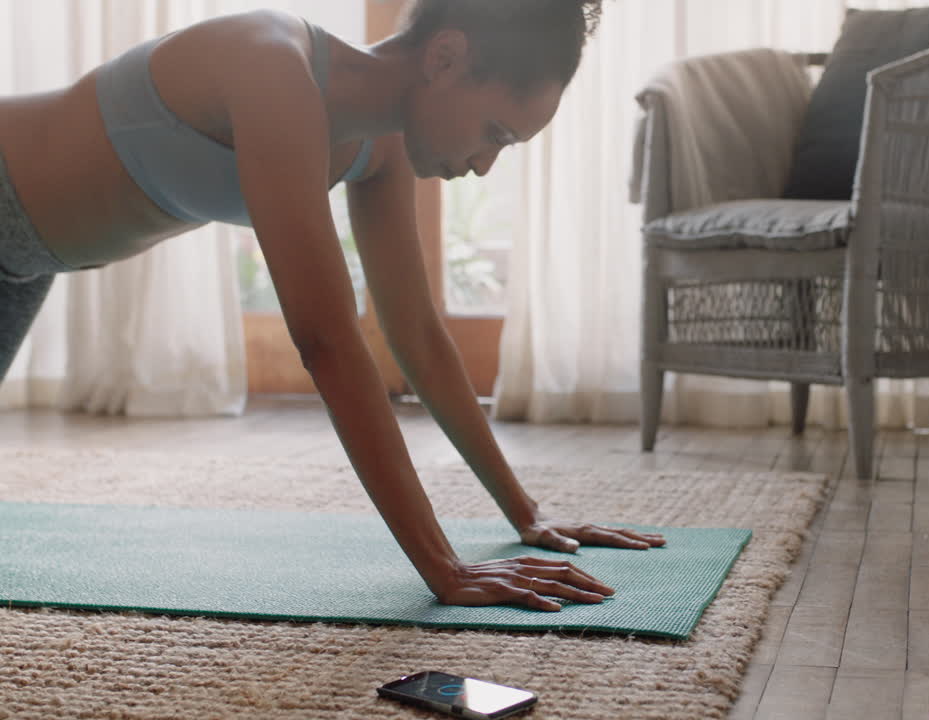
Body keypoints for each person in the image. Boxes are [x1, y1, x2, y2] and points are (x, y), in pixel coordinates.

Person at [0, 0, 664, 612]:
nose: (485, 164)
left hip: (26, 262)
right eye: (495, 132)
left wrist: (525, 513)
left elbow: (416, 332)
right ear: (444, 58)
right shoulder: (272, 67)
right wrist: (444, 568)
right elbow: (326, 340)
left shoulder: (381, 144)